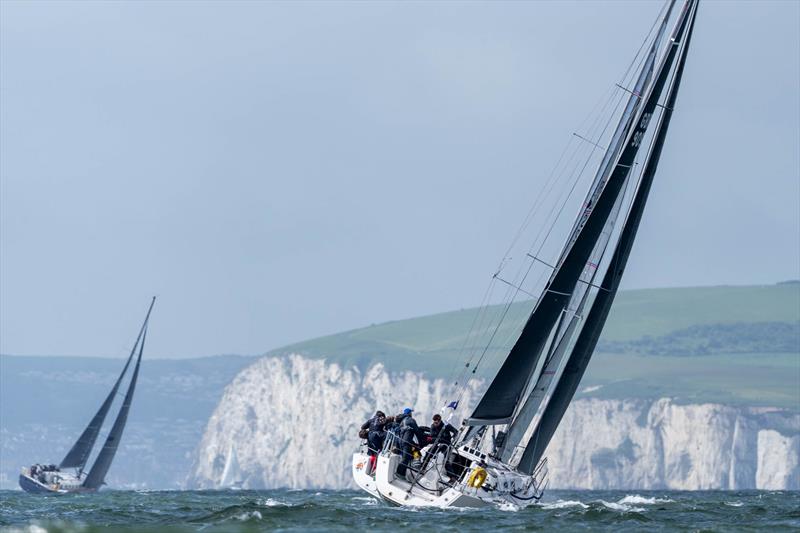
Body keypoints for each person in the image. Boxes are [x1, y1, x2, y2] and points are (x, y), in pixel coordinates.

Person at [396, 408, 426, 478]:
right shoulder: (410, 420)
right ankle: (399, 473)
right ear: (409, 413)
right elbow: (417, 431)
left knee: (416, 450)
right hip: (407, 442)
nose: (412, 414)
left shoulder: (402, 421)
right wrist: (422, 441)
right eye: (411, 413)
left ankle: (415, 465)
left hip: (402, 442)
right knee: (405, 459)